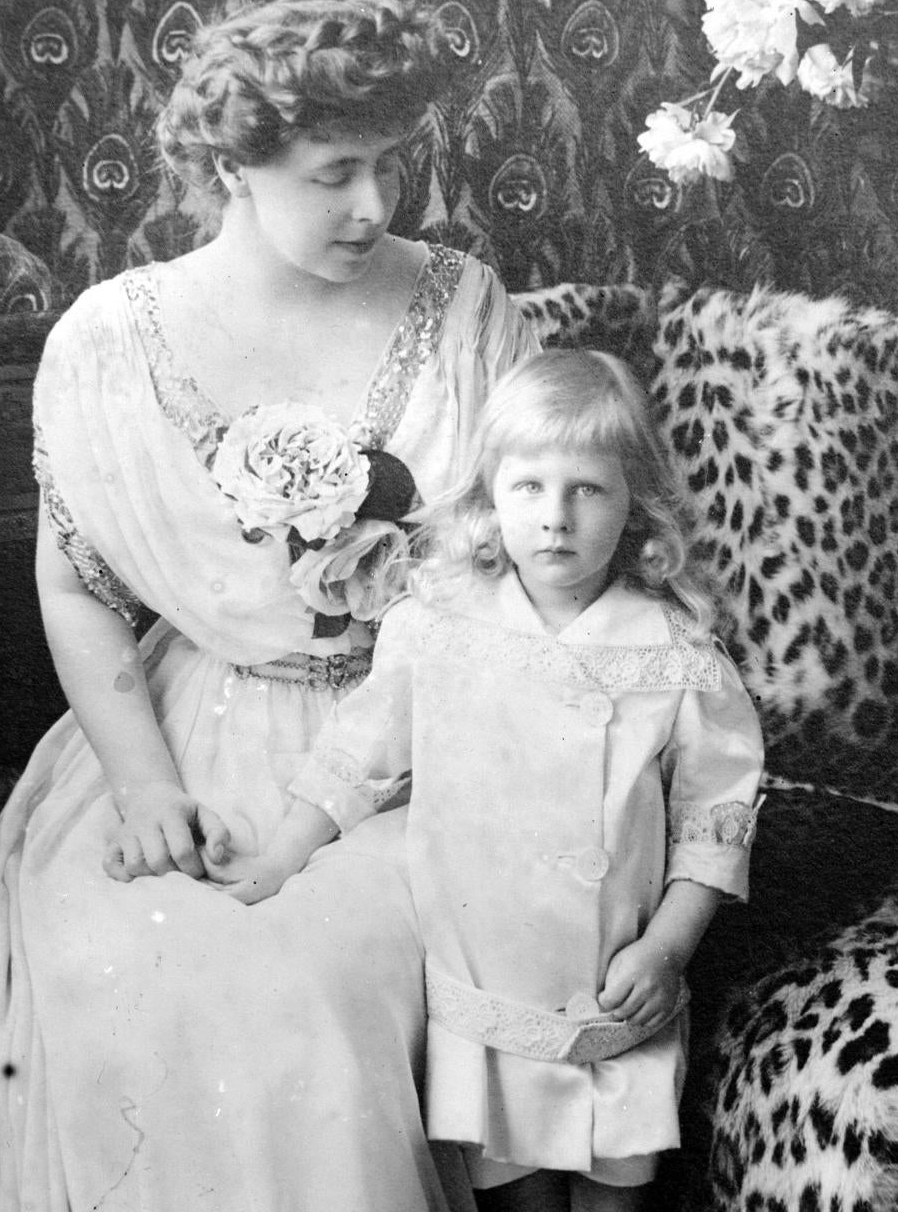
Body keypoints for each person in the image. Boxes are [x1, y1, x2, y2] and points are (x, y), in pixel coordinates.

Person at [0, 0, 537, 1212]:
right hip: (180, 733)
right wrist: (141, 785)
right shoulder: (112, 340)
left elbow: (516, 571)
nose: (374, 206)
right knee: (122, 961)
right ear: (236, 165)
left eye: (392, 166)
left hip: (417, 741)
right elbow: (73, 584)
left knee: (314, 979)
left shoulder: (461, 306)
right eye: (335, 173)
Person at [216, 351, 766, 1212]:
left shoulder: (673, 651)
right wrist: (279, 860)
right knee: (514, 1197)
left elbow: (715, 819)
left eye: (588, 489)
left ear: (634, 507)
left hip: (614, 978)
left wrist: (668, 947)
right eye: (529, 488)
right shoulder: (436, 627)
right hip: (490, 985)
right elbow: (359, 758)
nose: (556, 519)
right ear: (489, 496)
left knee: (614, 1194)